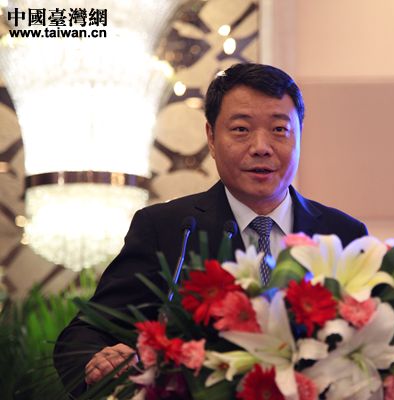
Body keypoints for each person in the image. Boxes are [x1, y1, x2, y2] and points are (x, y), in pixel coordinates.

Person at [53, 63, 368, 395]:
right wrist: (99, 361)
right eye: (241, 129)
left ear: (300, 135)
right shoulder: (168, 230)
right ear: (211, 138)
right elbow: (84, 335)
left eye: (279, 129)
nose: (261, 146)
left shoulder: (343, 235)